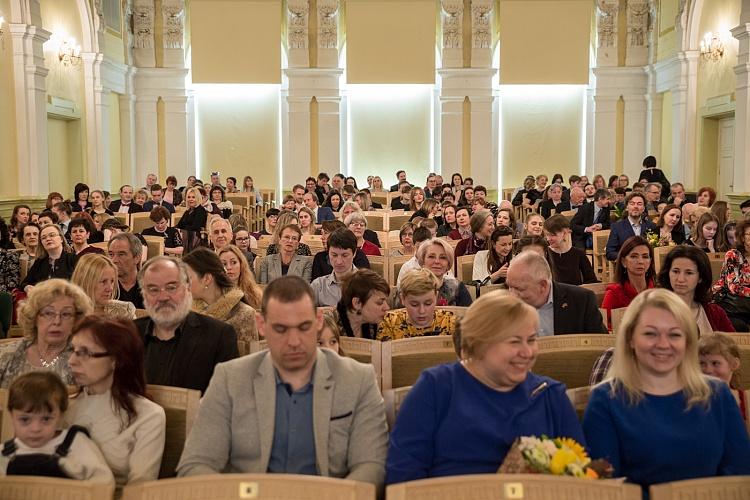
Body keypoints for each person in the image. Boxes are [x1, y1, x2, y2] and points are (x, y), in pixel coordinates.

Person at [176, 276, 388, 489]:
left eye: (304, 327)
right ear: (261, 325)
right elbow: (196, 464)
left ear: (319, 321)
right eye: (281, 329)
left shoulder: (359, 379)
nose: (294, 341)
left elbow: (371, 466)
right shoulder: (229, 379)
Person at [386, 291, 585, 484]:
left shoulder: (549, 395)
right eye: (514, 341)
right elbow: (403, 476)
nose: (527, 352)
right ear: (479, 343)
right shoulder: (436, 387)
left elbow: (581, 478)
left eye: (531, 340)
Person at [583, 289, 750, 494]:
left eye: (674, 334)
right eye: (650, 333)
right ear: (630, 339)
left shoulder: (718, 394)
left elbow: (739, 475)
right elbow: (607, 489)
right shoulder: (605, 400)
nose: (663, 344)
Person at [66, 316, 166, 487]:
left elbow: (139, 490)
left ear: (116, 360)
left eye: (84, 353)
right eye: (72, 350)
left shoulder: (149, 416)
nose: (72, 361)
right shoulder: (61, 407)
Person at [134, 256, 238, 393]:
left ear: (187, 288)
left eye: (171, 288)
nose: (163, 297)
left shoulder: (219, 336)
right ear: (144, 294)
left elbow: (229, 397)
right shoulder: (128, 334)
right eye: (153, 290)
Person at [0, 371, 113, 484]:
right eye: (25, 420)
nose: (35, 429)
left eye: (46, 419)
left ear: (60, 416)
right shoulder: (4, 453)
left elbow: (104, 482)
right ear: (12, 416)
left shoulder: (76, 444)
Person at [0, 279, 93, 388]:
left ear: (76, 320)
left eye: (66, 314)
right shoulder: (5, 356)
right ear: (34, 317)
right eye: (48, 313)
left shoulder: (85, 361)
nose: (57, 321)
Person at [506, 251, 606, 336]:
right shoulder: (504, 307)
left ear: (543, 286)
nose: (512, 295)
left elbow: (600, 346)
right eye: (509, 287)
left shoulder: (582, 301)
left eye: (519, 289)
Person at [183, 248, 258, 344]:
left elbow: (249, 357)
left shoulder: (244, 314)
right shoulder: (188, 312)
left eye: (188, 278)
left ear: (207, 279)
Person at [377, 269, 456, 341]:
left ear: (436, 296)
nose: (422, 311)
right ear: (403, 299)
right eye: (414, 305)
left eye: (428, 304)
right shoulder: (390, 323)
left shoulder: (450, 322)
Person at [712, 219, 750, 330]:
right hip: (729, 301)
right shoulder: (733, 255)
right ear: (742, 237)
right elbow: (734, 287)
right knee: (739, 326)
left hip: (746, 304)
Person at [71, 254, 136, 320]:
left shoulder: (125, 311)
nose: (110, 288)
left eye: (112, 281)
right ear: (85, 281)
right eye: (103, 281)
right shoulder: (67, 313)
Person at [330, 269, 390, 339]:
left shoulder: (377, 323)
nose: (387, 307)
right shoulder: (328, 326)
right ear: (357, 303)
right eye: (380, 302)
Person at [602, 236, 655, 314]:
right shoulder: (614, 294)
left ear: (650, 261)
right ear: (623, 262)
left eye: (645, 257)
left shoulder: (658, 291)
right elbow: (604, 324)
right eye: (634, 256)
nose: (640, 261)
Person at [699, 334, 746, 420]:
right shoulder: (690, 400)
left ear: (734, 364)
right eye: (702, 363)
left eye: (715, 363)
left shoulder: (746, 400)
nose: (708, 370)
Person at [414, 238, 472, 307]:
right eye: (431, 257)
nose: (437, 261)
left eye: (443, 257)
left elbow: (471, 316)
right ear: (423, 261)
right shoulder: (411, 288)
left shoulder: (458, 288)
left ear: (448, 264)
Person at [20, 224, 78, 292]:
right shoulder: (40, 261)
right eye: (44, 238)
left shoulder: (74, 259)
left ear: (61, 238)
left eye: (52, 235)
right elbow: (24, 283)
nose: (48, 239)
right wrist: (27, 287)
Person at [543, 215, 597, 286]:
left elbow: (591, 280)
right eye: (547, 235)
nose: (548, 239)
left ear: (564, 233)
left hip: (575, 295)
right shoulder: (545, 254)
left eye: (552, 235)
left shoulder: (578, 254)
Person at [311, 228, 358, 307]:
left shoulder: (369, 285)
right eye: (334, 255)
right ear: (328, 253)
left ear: (354, 253)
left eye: (344, 255)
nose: (339, 261)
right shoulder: (318, 285)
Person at [606, 192, 657, 261]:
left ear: (644, 208)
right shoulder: (617, 227)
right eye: (632, 204)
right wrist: (627, 258)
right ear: (627, 207)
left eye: (639, 204)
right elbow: (610, 252)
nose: (635, 206)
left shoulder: (651, 226)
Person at [218, 245, 262, 310]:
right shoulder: (211, 296)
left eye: (233, 262)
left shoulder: (255, 295)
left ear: (241, 265)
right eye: (224, 264)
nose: (229, 267)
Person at [107, 233, 144, 310]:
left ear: (137, 258)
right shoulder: (104, 287)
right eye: (111, 254)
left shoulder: (150, 287)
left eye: (121, 254)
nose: (114, 260)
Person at [175, 187, 208, 251]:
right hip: (186, 236)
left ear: (197, 198)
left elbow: (195, 227)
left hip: (196, 238)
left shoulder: (200, 210)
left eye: (193, 197)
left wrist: (181, 230)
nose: (191, 199)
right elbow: (179, 225)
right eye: (189, 197)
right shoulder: (188, 211)